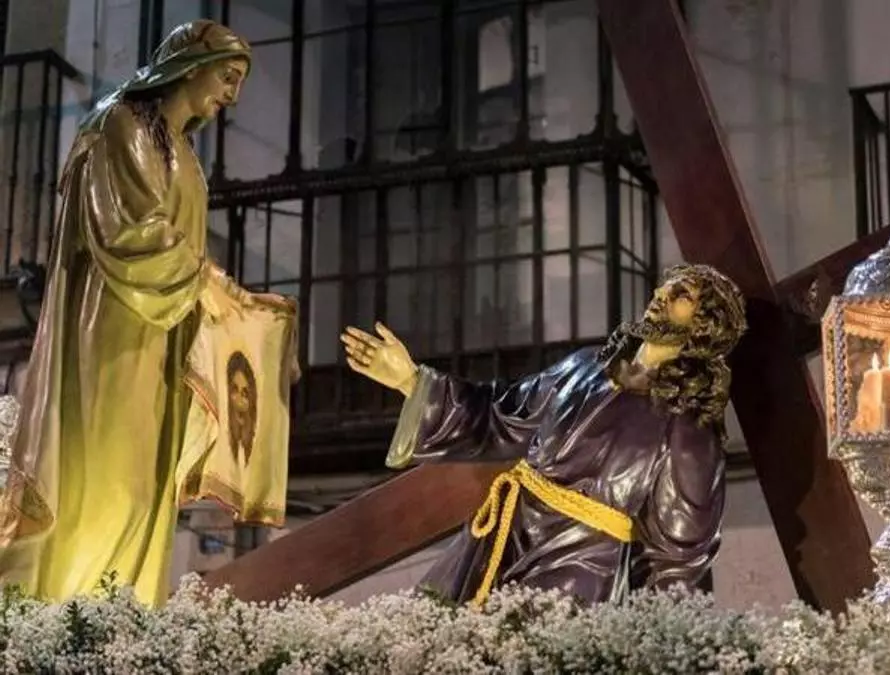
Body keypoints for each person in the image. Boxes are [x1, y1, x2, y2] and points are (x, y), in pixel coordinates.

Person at [0, 20, 282, 606]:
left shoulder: (183, 154)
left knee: (150, 484)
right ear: (189, 67)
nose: (231, 96)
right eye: (227, 77)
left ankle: (124, 612)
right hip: (114, 327)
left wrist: (225, 303)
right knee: (111, 480)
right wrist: (208, 282)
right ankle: (78, 614)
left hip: (165, 335)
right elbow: (128, 230)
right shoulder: (120, 124)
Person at [341, 263, 748, 606]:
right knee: (428, 632)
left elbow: (678, 560)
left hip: (575, 576)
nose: (660, 293)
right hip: (498, 540)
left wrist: (657, 649)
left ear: (705, 326)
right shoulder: (585, 368)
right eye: (665, 285)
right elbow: (502, 414)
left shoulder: (689, 429)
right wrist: (411, 381)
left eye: (681, 295)